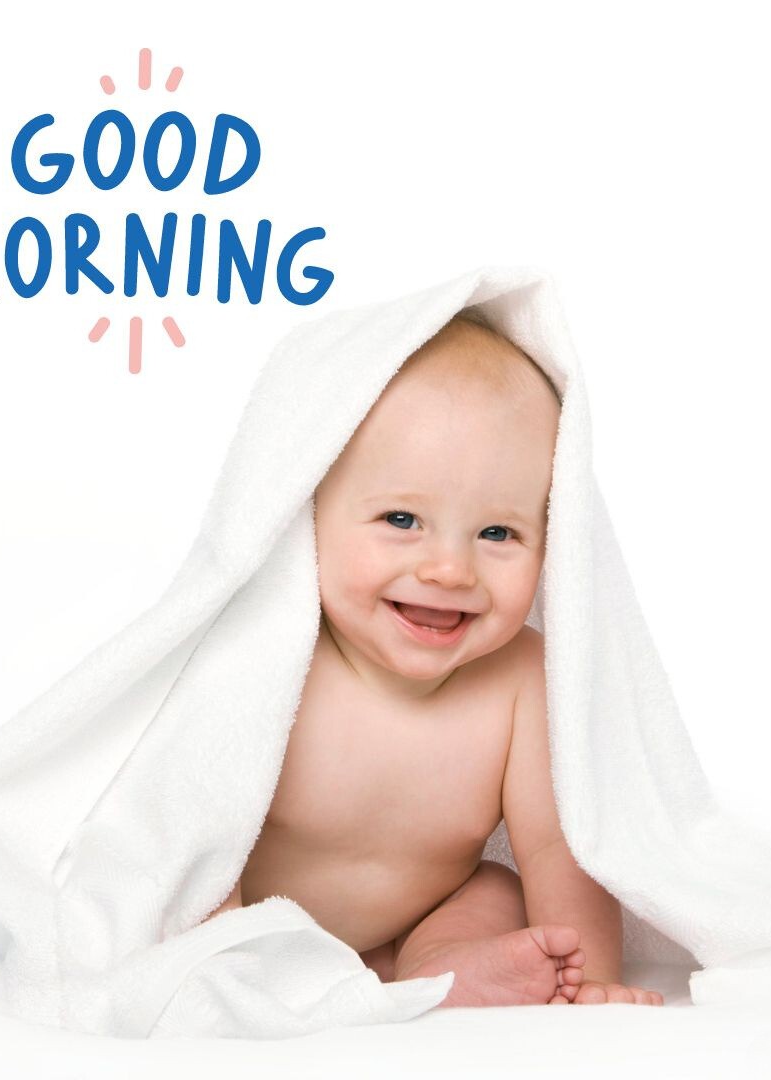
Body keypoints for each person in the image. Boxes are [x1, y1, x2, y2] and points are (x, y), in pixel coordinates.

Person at [204, 314, 663, 1007]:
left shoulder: (520, 682)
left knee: (496, 887)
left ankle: (439, 969)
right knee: (200, 887)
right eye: (401, 520)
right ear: (307, 508)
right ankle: (243, 975)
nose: (449, 569)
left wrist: (592, 982)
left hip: (407, 926)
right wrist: (217, 947)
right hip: (252, 927)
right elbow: (185, 824)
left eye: (498, 532)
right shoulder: (270, 658)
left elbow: (558, 851)